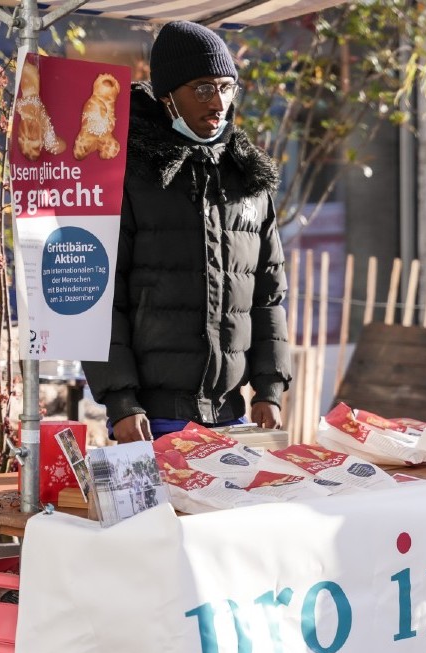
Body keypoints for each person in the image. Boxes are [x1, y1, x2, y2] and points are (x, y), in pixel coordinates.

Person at [84, 21, 291, 442]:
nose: (218, 102)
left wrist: (268, 387)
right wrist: (121, 400)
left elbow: (268, 296)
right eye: (201, 88)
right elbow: (101, 297)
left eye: (226, 87)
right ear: (167, 97)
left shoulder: (249, 179)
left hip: (234, 416)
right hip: (150, 419)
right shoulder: (127, 176)